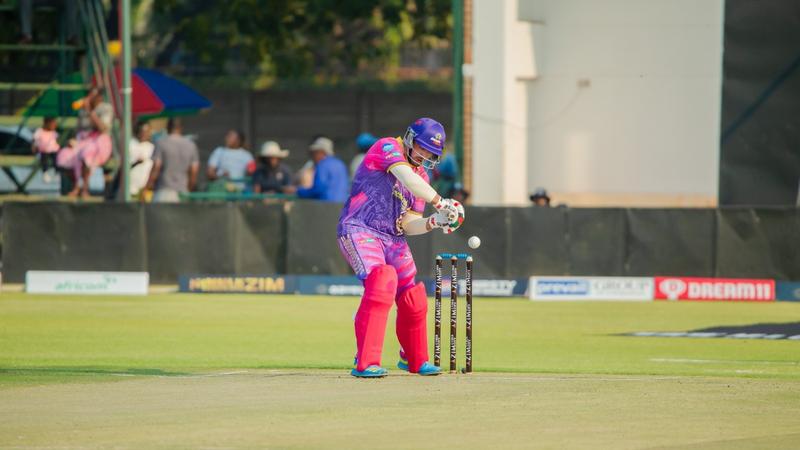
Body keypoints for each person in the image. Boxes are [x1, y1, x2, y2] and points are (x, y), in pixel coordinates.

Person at [337, 117, 466, 378]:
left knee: (413, 295)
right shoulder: (386, 147)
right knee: (382, 282)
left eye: (432, 153)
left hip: (393, 236)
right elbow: (405, 177)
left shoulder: (422, 175)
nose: (426, 156)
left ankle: (415, 359)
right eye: (423, 148)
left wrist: (433, 221)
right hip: (361, 228)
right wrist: (440, 202)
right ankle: (366, 360)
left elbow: (408, 223)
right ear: (409, 139)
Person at [68, 87, 113, 198]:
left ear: (99, 97)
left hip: (100, 143)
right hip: (84, 141)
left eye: (92, 95)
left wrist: (90, 111)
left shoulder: (106, 108)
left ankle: (84, 188)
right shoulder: (82, 110)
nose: (89, 98)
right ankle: (77, 186)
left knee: (86, 154)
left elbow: (102, 129)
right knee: (67, 155)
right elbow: (79, 129)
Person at [144, 118, 199, 203]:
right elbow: (194, 172)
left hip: (163, 191)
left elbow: (156, 167)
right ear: (181, 128)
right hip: (182, 192)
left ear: (168, 128)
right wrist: (189, 189)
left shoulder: (161, 143)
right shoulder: (191, 145)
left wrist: (147, 187)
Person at [284, 136, 348, 202]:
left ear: (322, 152)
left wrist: (298, 191)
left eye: (314, 153)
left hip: (327, 207)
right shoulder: (340, 164)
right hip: (342, 207)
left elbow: (318, 190)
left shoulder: (322, 165)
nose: (313, 156)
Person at [128, 121, 154, 197]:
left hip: (145, 190)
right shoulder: (131, 144)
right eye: (142, 131)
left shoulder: (152, 147)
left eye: (147, 132)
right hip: (131, 189)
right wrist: (136, 162)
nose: (144, 134)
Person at [31, 116, 60, 183]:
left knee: (56, 159)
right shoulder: (40, 131)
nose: (54, 126)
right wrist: (34, 147)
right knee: (44, 158)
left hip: (53, 151)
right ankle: (45, 173)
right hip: (43, 151)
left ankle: (57, 173)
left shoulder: (54, 133)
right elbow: (34, 140)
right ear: (46, 123)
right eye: (52, 124)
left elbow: (57, 141)